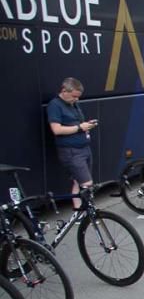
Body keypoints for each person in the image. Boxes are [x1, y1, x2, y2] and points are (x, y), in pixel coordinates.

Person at [47, 77, 97, 210]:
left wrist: (86, 125)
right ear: (64, 91)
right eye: (74, 96)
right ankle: (88, 211)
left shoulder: (73, 104)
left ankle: (78, 210)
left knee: (78, 181)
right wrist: (80, 128)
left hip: (84, 147)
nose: (76, 99)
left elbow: (77, 122)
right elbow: (56, 129)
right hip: (71, 150)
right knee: (87, 183)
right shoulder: (55, 105)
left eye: (78, 97)